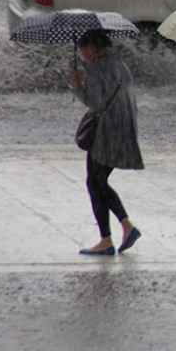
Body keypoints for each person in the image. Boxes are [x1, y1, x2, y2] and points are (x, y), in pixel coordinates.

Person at [69, 28, 144, 255]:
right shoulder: (121, 64)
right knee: (98, 181)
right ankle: (125, 227)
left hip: (107, 131)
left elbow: (96, 103)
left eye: (84, 53)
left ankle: (107, 239)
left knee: (95, 182)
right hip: (124, 127)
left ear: (91, 48)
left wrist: (77, 88)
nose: (84, 58)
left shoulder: (98, 67)